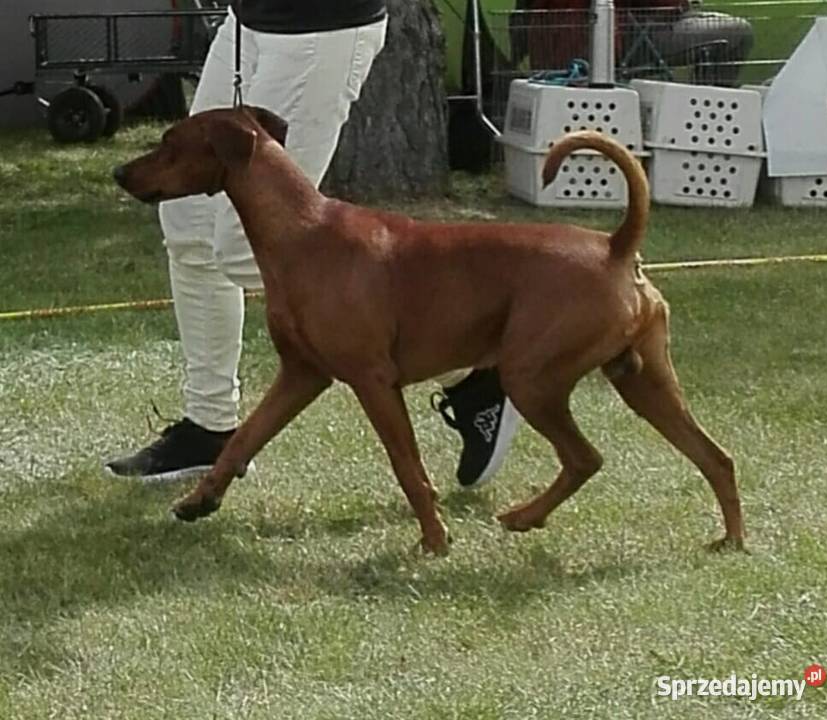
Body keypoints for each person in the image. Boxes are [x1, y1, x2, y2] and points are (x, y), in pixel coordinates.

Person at [106, 0, 519, 490]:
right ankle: (209, 427)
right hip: (249, 23)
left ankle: (471, 375)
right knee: (188, 222)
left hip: (320, 30)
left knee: (239, 247)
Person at [510, 0, 753, 87]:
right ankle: (705, 116)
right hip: (611, 41)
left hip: (552, 47)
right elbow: (663, 5)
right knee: (738, 32)